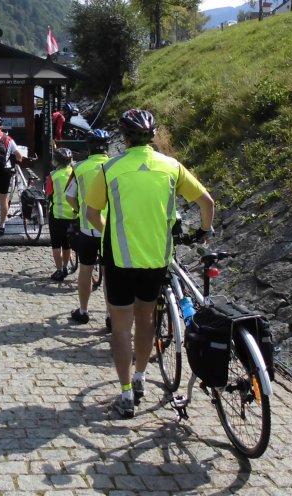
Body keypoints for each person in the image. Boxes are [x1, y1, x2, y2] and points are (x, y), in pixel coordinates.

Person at [83, 109, 215, 419]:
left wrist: (111, 231)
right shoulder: (172, 167)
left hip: (120, 259)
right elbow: (206, 202)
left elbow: (91, 213)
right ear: (152, 137)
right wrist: (204, 232)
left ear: (125, 138)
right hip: (157, 258)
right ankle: (142, 376)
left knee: (121, 326)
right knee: (146, 320)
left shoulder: (110, 169)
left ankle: (126, 393)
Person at [64, 129, 112, 325]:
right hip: (110, 229)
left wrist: (79, 210)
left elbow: (69, 196)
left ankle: (83, 311)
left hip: (87, 228)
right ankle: (110, 316)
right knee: (109, 273)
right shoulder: (116, 166)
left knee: (85, 270)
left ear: (89, 146)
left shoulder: (79, 167)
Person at [45, 147, 78, 281]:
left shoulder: (53, 175)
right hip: (72, 214)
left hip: (57, 215)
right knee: (67, 244)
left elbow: (48, 193)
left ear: (56, 161)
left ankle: (59, 270)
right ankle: (65, 266)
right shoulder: (75, 173)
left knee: (56, 245)